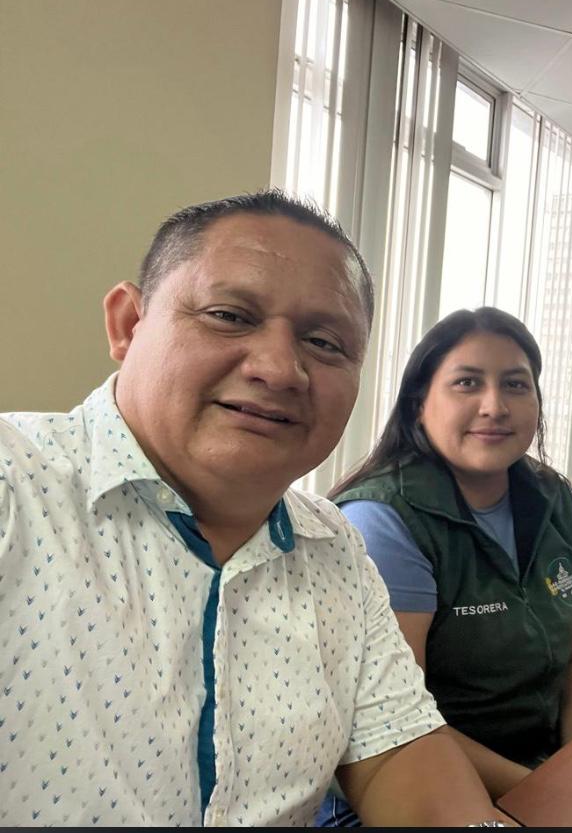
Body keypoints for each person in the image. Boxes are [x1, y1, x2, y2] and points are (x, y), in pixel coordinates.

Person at [0, 191, 504, 826]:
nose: (280, 369)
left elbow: (398, 756)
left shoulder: (334, 547)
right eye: (229, 316)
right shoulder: (16, 490)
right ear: (128, 324)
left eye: (325, 342)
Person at [316, 308, 572, 824]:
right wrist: (548, 792)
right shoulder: (383, 522)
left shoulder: (555, 499)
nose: (494, 406)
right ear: (418, 404)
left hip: (538, 774)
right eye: (467, 383)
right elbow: (398, 724)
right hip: (409, 790)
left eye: (515, 384)